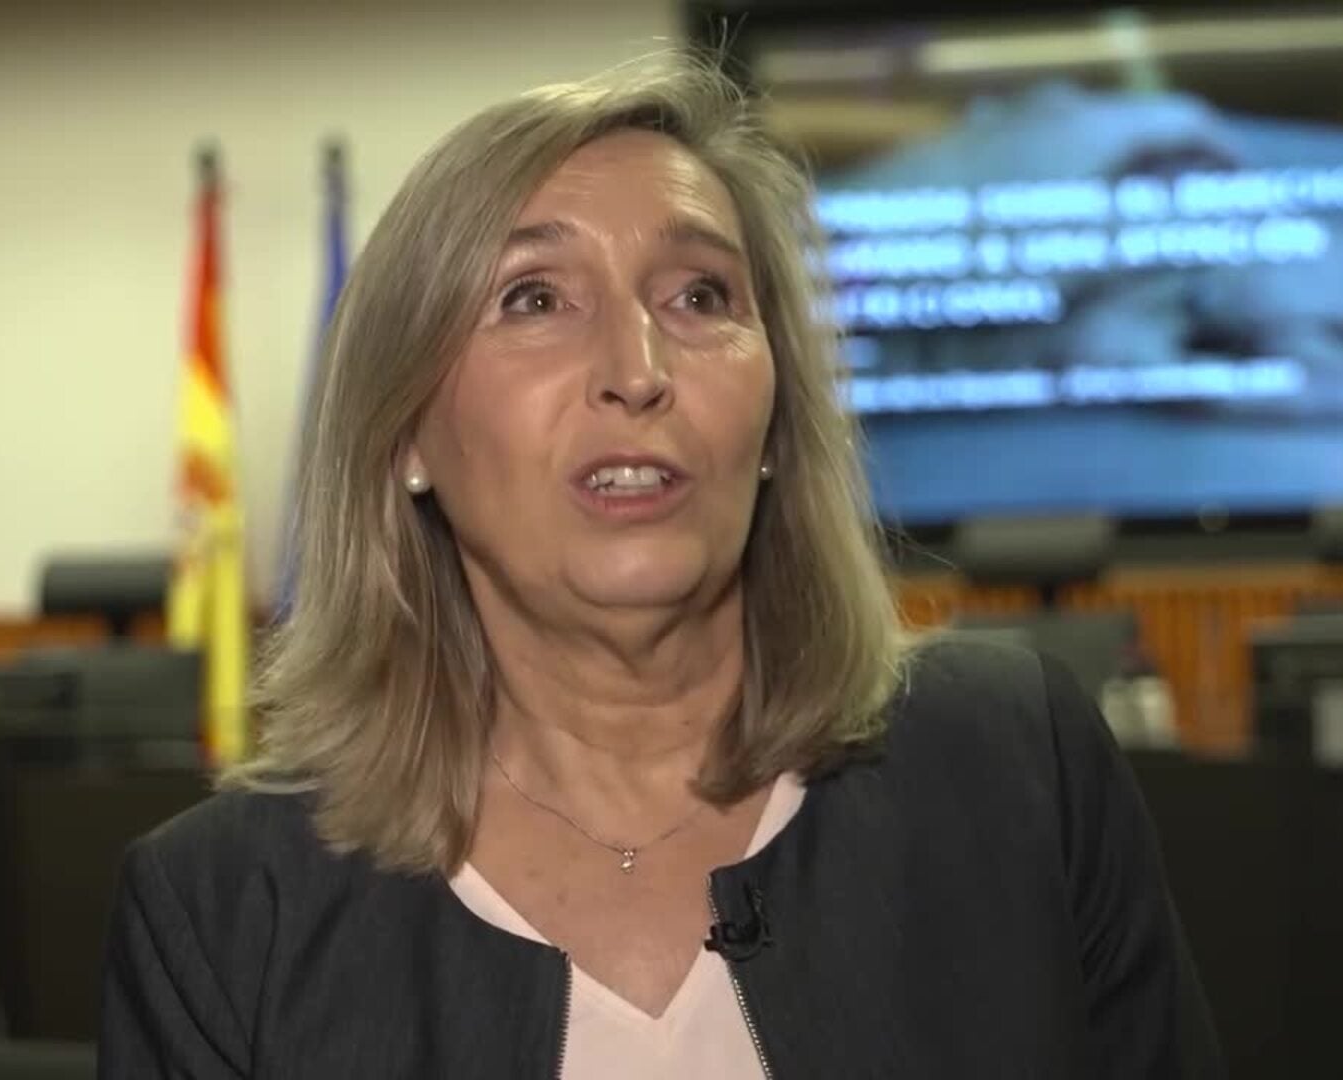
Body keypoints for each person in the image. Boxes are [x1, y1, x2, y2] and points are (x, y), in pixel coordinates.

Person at [100, 55, 1215, 1079]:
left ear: (775, 419)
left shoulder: (1018, 767)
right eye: (534, 299)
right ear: (407, 438)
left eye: (699, 297)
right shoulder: (223, 912)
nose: (637, 371)